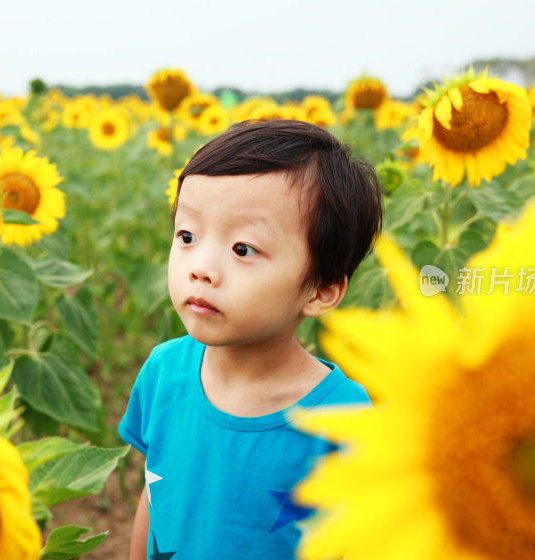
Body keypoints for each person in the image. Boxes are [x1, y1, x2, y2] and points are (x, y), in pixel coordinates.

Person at [119, 119, 383, 559]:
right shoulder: (163, 371)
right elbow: (155, 490)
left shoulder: (343, 419)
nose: (200, 267)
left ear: (320, 290)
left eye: (243, 249)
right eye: (187, 236)